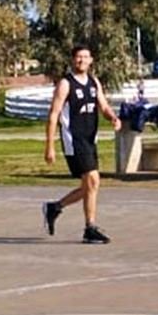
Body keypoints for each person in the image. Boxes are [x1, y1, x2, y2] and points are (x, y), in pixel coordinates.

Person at [42, 45, 121, 243]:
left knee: (90, 185)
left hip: (90, 139)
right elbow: (53, 115)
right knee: (93, 180)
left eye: (85, 57)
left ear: (91, 60)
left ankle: (56, 207)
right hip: (73, 140)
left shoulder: (94, 82)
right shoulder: (65, 84)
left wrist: (112, 117)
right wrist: (50, 146)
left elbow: (103, 105)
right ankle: (90, 227)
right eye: (78, 57)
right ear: (72, 60)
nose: (82, 60)